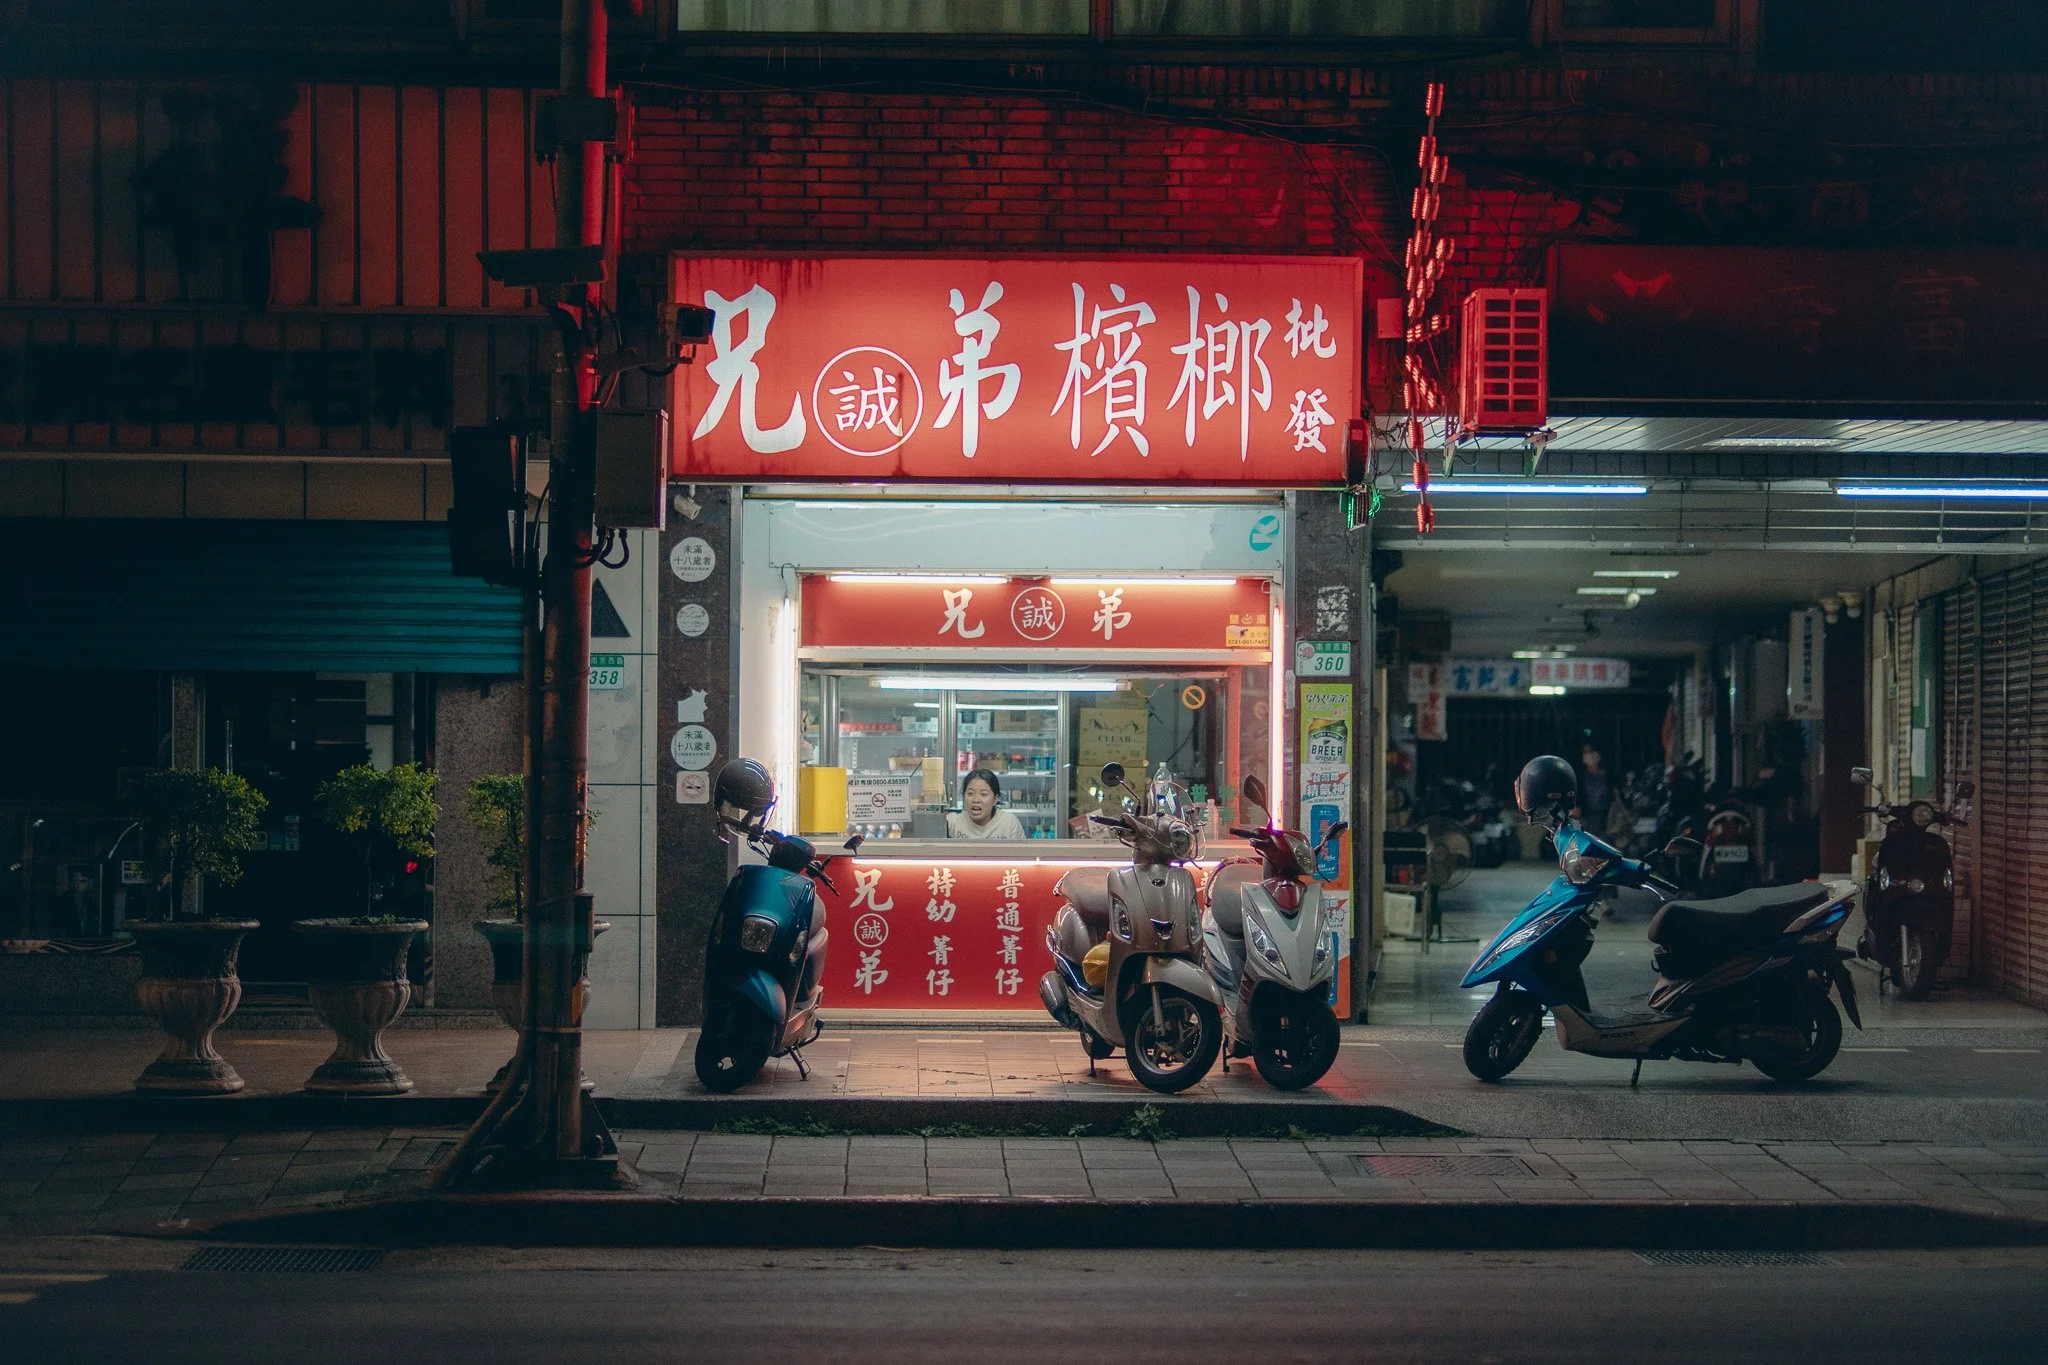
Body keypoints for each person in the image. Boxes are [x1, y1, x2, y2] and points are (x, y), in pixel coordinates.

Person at [947, 768, 1026, 840]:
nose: (976, 800)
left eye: (983, 794)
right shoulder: (953, 823)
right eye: (970, 793)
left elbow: (1023, 854)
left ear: (995, 799)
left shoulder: (1009, 823)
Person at [1577, 741, 1614, 832]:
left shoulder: (1609, 776)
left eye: (1590, 752)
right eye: (1585, 753)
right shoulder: (1581, 776)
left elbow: (1615, 796)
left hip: (1608, 819)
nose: (1588, 755)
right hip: (1587, 819)